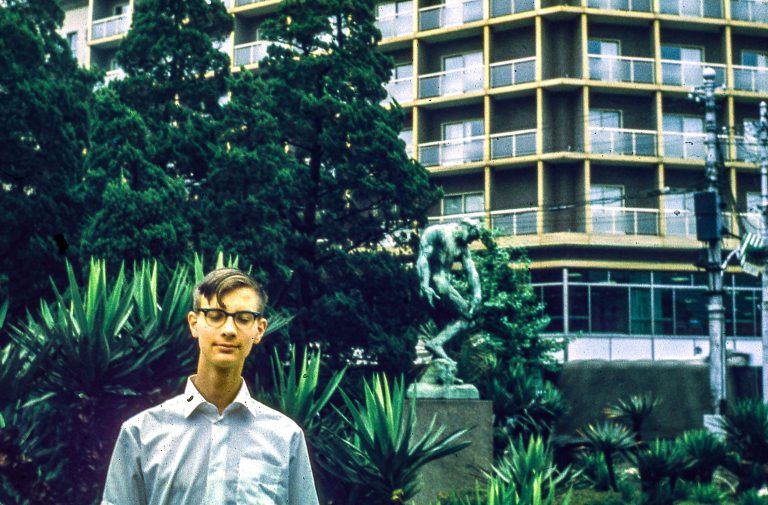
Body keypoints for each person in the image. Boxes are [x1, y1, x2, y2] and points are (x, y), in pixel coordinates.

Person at [101, 268, 319, 505]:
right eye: (215, 315)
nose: (229, 329)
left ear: (259, 329)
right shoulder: (141, 434)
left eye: (243, 318)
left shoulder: (285, 438)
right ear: (194, 323)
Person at [416, 218, 482, 362]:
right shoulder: (437, 232)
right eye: (471, 237)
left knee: (446, 326)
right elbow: (423, 258)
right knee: (467, 316)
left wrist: (477, 294)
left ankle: (441, 364)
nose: (470, 242)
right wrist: (424, 284)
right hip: (437, 285)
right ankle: (435, 343)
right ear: (465, 228)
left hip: (440, 286)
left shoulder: (463, 247)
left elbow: (471, 270)